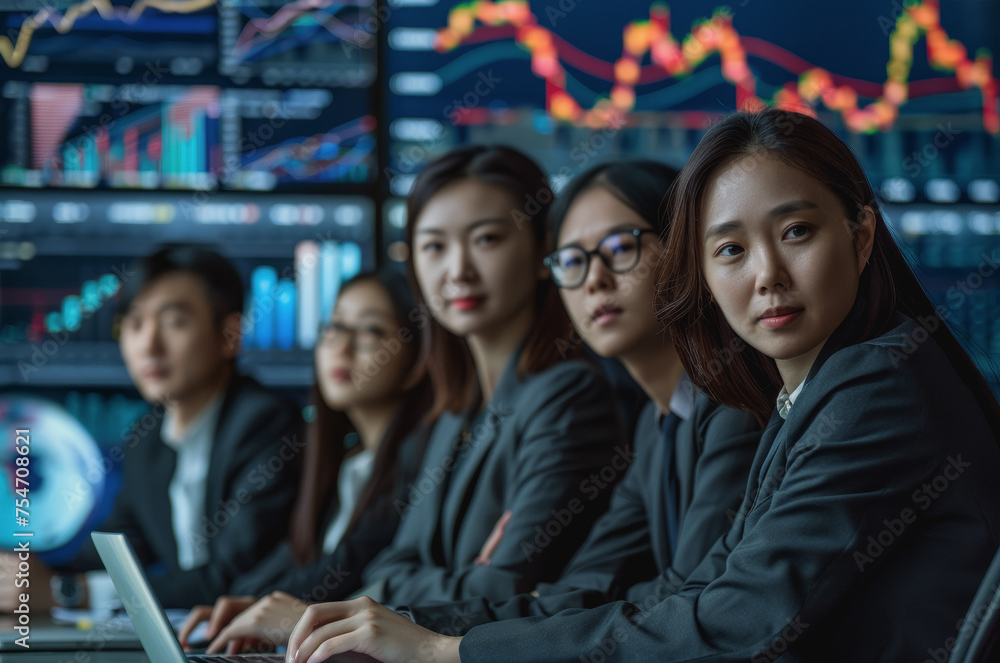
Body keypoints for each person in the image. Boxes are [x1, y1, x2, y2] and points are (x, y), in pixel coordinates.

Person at [282, 109, 1000, 663]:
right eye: (730, 250)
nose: (766, 275)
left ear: (862, 235)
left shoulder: (874, 384)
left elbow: (734, 622)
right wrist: (425, 633)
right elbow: (687, 593)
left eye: (798, 232)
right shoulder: (801, 399)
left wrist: (448, 651)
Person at [199, 145, 626, 652]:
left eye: (486, 239)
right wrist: (443, 578)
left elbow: (501, 588)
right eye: (433, 246)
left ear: (542, 254)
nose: (458, 270)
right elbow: (394, 563)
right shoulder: (453, 414)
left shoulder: (566, 394)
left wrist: (398, 596)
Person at [394, 160, 760, 635]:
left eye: (619, 248)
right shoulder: (658, 424)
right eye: (572, 260)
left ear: (686, 249)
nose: (595, 280)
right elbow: (585, 588)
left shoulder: (731, 400)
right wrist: (402, 621)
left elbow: (691, 597)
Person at [0, 245, 303, 611]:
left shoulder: (266, 424)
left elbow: (232, 581)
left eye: (174, 322)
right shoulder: (149, 437)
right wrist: (21, 576)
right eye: (135, 323)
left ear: (229, 335)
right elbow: (115, 550)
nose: (149, 345)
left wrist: (70, 592)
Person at [177, 270, 433, 653]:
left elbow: (342, 568)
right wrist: (240, 607)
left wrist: (274, 610)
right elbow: (292, 561)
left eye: (370, 332)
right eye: (334, 328)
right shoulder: (343, 465)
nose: (340, 348)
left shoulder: (422, 463)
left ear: (419, 352)